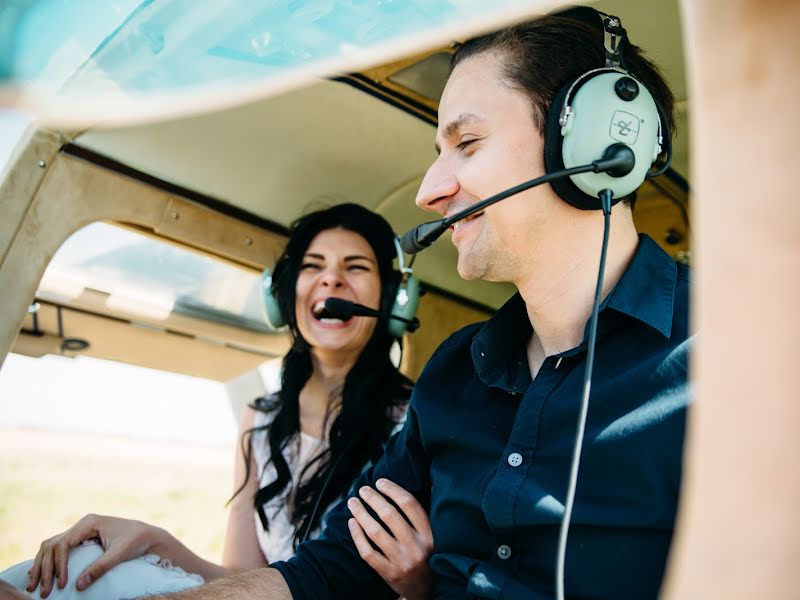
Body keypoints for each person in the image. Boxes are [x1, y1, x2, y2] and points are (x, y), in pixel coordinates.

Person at [2, 7, 692, 599]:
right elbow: (323, 574)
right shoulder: (455, 372)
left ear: (601, 145)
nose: (429, 191)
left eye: (467, 143)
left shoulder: (728, 354)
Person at [0, 204, 432, 599]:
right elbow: (242, 578)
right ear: (284, 296)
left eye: (355, 267)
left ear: (392, 296)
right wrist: (153, 540)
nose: (331, 279)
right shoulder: (261, 420)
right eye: (312, 266)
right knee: (86, 566)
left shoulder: (417, 419)